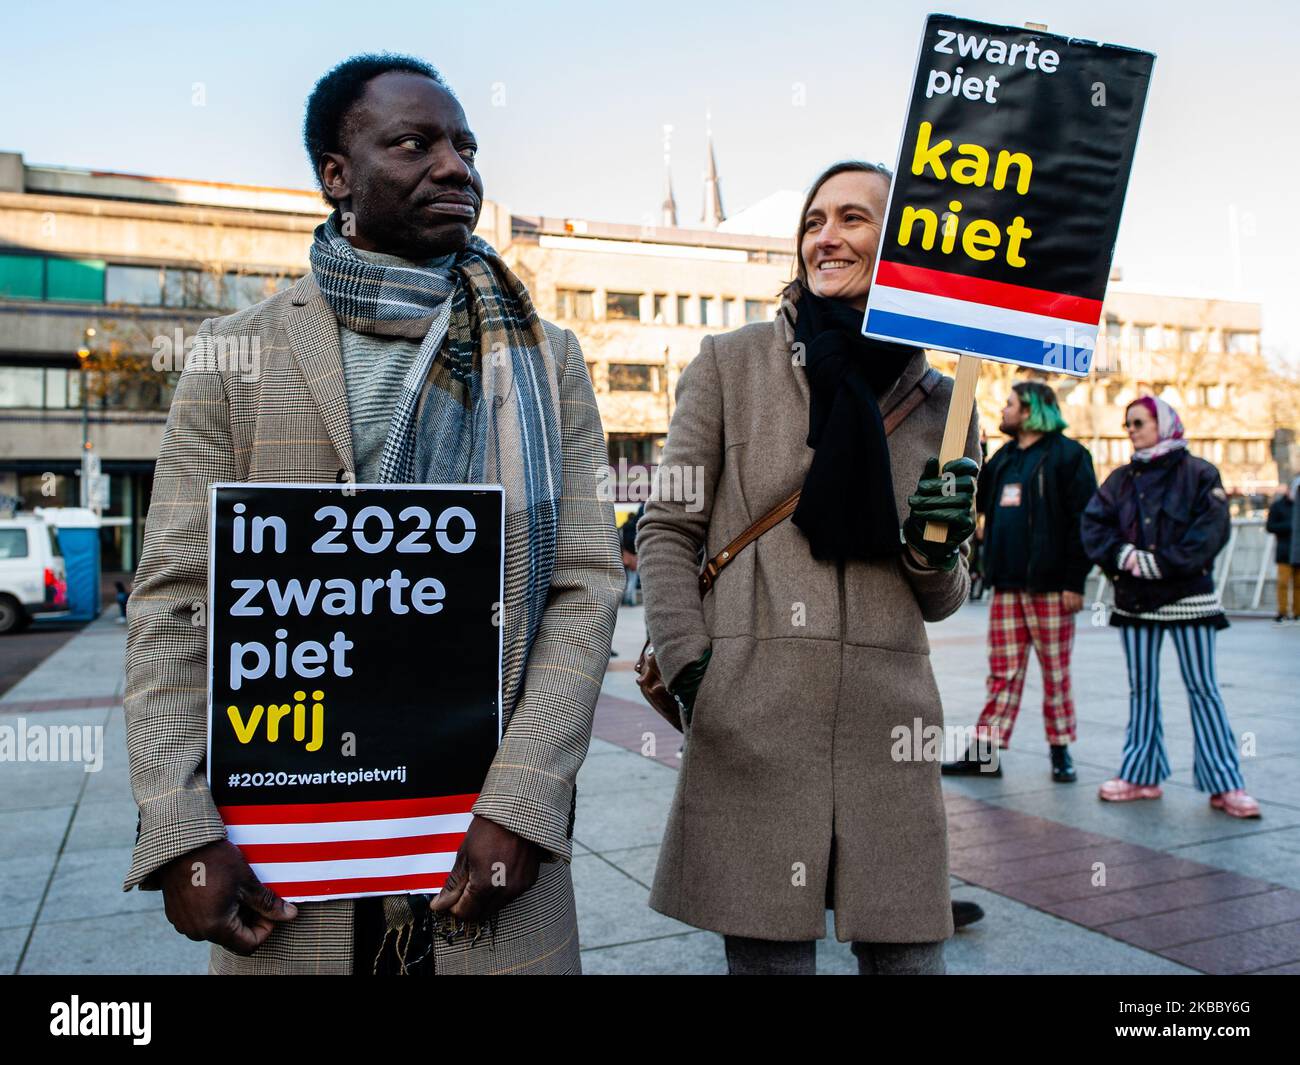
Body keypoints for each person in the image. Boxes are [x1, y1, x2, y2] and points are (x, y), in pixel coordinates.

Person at [122, 53, 623, 975]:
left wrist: (521, 804)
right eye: (414, 142)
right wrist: (181, 827)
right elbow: (176, 606)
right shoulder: (235, 353)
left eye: (466, 146)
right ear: (336, 175)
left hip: (490, 875)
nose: (456, 167)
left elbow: (585, 586)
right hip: (288, 892)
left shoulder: (545, 358)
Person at [636, 160, 981, 975]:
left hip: (889, 726)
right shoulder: (732, 362)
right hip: (753, 713)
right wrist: (694, 672)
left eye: (854, 219)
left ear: (902, 242)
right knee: (769, 964)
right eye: (814, 221)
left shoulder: (947, 404)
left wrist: (933, 552)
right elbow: (667, 527)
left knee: (910, 961)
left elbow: (945, 594)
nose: (826, 237)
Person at [1081, 395, 1259, 818]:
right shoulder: (1120, 479)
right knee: (1142, 688)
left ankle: (1226, 783)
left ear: (1163, 423)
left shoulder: (1199, 472)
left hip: (1190, 599)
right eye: (1127, 424)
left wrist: (1160, 564)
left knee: (1204, 689)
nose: (1131, 430)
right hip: (1137, 601)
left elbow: (1213, 530)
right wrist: (1123, 557)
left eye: (1138, 422)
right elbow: (1092, 524)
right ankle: (1141, 775)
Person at [942, 382, 1097, 784]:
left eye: (1010, 404)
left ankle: (1061, 750)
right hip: (1007, 585)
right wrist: (971, 451)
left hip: (1052, 586)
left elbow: (1086, 524)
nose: (1004, 410)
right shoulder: (1005, 459)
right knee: (1002, 672)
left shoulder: (1070, 456)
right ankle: (985, 754)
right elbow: (975, 500)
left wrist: (1074, 581)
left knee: (1055, 672)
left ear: (1030, 410)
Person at [1265, 481, 1298, 623]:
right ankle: (1282, 612)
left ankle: (1297, 612)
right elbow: (1270, 526)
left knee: (1299, 584)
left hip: (1297, 550)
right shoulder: (1278, 506)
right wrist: (1291, 527)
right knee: (1283, 583)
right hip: (1284, 550)